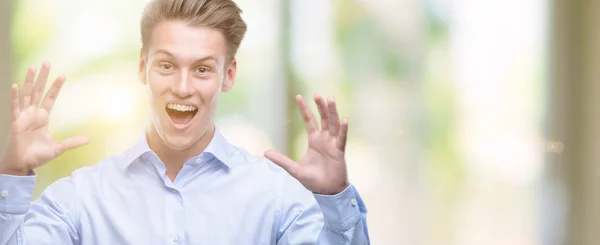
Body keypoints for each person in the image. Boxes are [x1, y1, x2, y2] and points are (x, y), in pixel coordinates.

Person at [0, 0, 370, 244]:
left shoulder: (276, 200)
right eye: (166, 65)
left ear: (228, 75)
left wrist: (334, 199)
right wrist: (12, 171)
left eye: (203, 69)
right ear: (143, 67)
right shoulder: (81, 200)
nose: (182, 87)